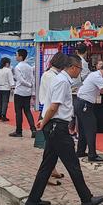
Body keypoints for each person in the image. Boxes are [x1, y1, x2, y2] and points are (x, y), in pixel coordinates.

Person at [25, 55, 103, 205]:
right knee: (73, 165)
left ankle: (33, 199)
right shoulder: (62, 81)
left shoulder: (59, 79)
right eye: (80, 69)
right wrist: (44, 121)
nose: (80, 72)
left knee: (47, 165)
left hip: (54, 126)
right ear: (73, 67)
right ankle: (86, 199)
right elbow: (54, 106)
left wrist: (44, 121)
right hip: (58, 128)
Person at [37, 52, 69, 185]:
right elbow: (52, 101)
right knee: (48, 147)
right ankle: (48, 173)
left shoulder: (51, 75)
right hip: (50, 114)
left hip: (49, 112)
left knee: (51, 148)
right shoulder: (51, 76)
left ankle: (52, 169)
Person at [10, 48, 37, 138]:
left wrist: (28, 84)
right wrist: (31, 87)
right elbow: (32, 79)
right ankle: (33, 129)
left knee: (18, 112)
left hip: (19, 92)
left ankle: (19, 131)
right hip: (27, 93)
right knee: (27, 111)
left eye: (16, 55)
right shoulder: (29, 67)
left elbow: (20, 80)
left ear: (21, 57)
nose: (15, 56)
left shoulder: (17, 67)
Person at [0, 57, 15, 122]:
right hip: (6, 88)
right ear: (7, 63)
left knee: (0, 102)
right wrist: (13, 87)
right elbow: (11, 80)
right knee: (5, 102)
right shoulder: (8, 70)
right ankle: (3, 115)